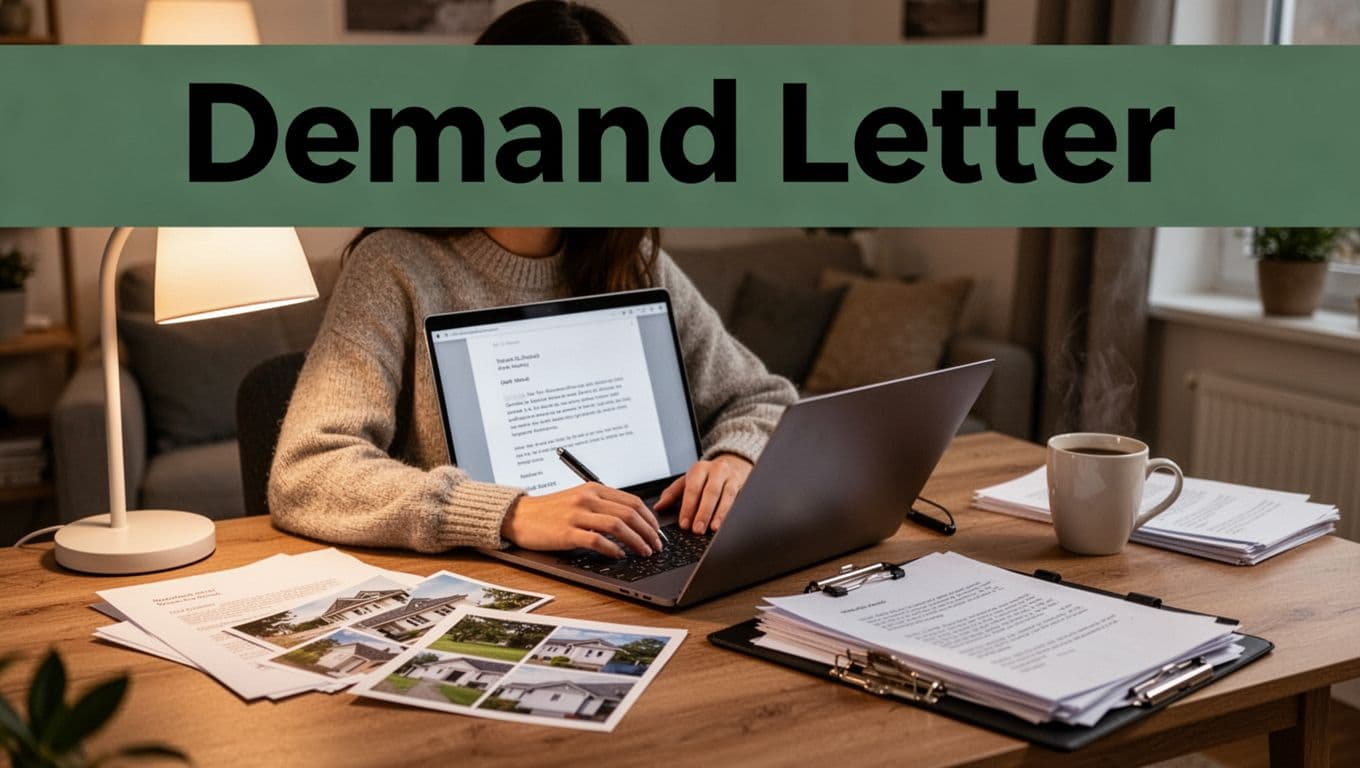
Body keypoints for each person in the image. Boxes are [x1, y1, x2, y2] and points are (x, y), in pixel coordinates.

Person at [268, 1, 797, 560]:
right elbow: (306, 471)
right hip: (484, 580)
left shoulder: (632, 258)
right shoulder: (394, 267)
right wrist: (510, 512)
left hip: (641, 548)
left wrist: (735, 458)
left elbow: (765, 399)